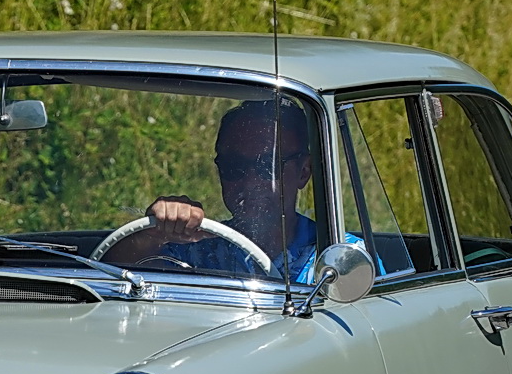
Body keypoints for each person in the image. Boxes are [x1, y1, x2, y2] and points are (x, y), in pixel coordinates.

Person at [103, 96, 339, 281]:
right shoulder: (200, 251)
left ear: (304, 172)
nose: (249, 181)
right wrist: (153, 233)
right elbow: (111, 279)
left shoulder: (336, 254)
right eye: (234, 166)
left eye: (268, 166)